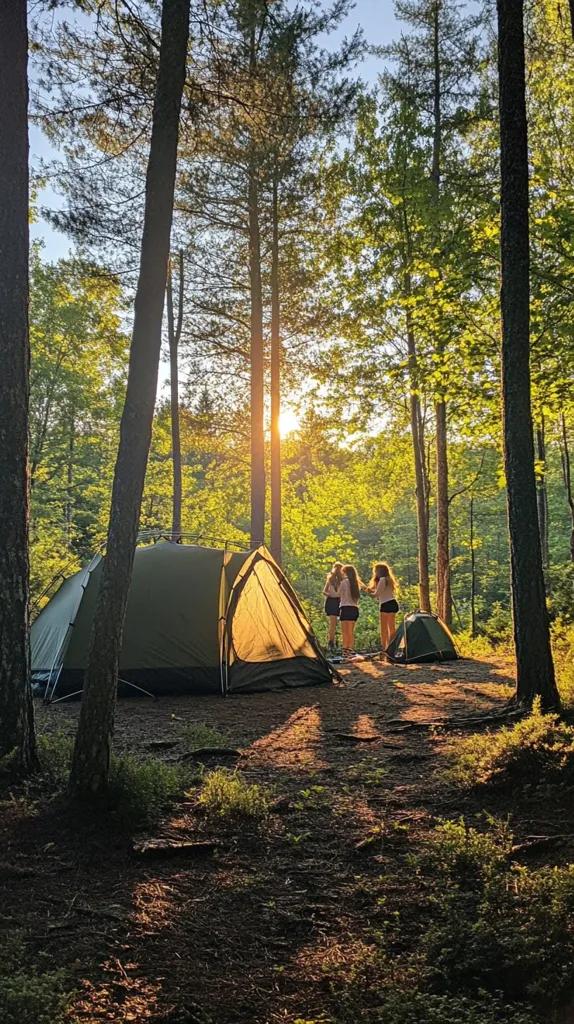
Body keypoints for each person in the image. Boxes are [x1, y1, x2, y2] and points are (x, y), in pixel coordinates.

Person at [368, 562, 399, 650]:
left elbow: (376, 594)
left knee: (384, 629)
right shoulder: (389, 580)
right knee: (392, 627)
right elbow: (382, 593)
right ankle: (392, 647)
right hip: (393, 603)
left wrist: (369, 592)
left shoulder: (382, 580)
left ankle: (385, 648)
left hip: (385, 605)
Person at [339, 564, 365, 656]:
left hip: (345, 607)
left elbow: (339, 594)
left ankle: (345, 650)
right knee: (351, 631)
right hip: (354, 608)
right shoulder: (356, 583)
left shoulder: (344, 582)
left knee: (345, 631)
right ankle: (350, 649)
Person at [322, 562, 343, 650]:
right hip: (336, 601)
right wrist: (334, 595)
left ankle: (332, 642)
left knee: (333, 624)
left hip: (332, 601)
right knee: (337, 623)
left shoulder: (331, 579)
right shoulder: (335, 579)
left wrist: (330, 595)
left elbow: (324, 592)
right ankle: (332, 642)